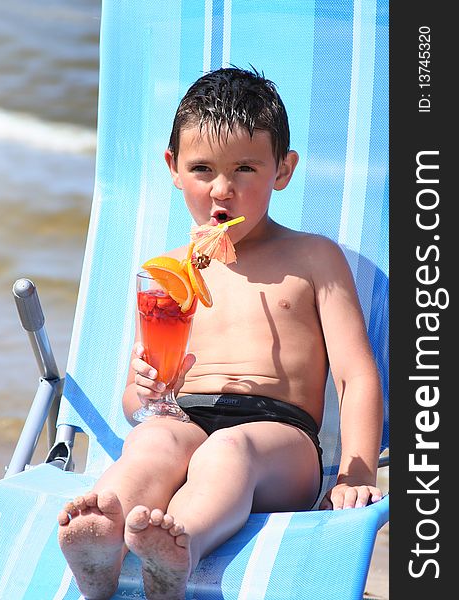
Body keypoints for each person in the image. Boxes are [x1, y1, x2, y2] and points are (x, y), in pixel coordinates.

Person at [57, 67, 383, 600]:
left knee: (229, 450)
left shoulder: (313, 258)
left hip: (281, 440)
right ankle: (101, 533)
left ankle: (182, 544)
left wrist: (356, 472)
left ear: (283, 170)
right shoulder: (169, 271)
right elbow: (138, 400)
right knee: (151, 441)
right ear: (174, 168)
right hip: (185, 417)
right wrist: (143, 391)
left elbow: (354, 374)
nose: (222, 189)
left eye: (246, 169)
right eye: (202, 169)